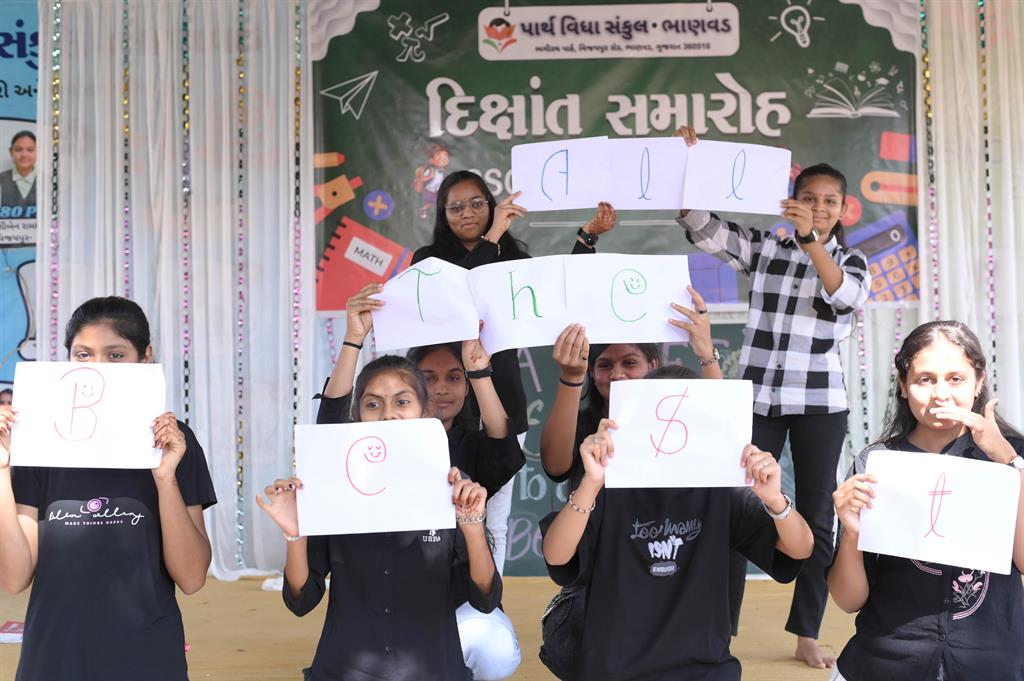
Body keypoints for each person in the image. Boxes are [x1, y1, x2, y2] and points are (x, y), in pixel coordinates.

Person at [675, 125, 871, 667]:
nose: (818, 208)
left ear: (843, 210)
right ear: (790, 201)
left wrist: (811, 241)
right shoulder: (765, 248)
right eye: (808, 198)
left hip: (819, 405)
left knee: (818, 516)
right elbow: (700, 224)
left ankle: (807, 631)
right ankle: (721, 629)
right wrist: (692, 164)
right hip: (757, 399)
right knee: (736, 506)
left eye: (829, 201)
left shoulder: (852, 262)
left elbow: (843, 296)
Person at [257, 283, 501, 681]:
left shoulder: (453, 489)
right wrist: (296, 535)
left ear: (425, 412)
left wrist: (472, 527)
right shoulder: (333, 488)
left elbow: (485, 597)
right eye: (373, 404)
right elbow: (301, 600)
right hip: (344, 670)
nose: (389, 414)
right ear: (356, 417)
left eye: (402, 401)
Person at [540, 364, 814, 680]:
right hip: (615, 668)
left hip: (704, 668)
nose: (671, 431)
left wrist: (775, 500)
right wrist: (590, 483)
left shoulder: (720, 490)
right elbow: (557, 555)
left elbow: (800, 548)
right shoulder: (610, 484)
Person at [0, 296, 216, 681]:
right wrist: (2, 469)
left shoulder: (174, 443)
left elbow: (192, 577)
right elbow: (15, 578)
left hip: (147, 658)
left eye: (115, 355)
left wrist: (165, 477)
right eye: (83, 355)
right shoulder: (39, 442)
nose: (97, 368)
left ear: (145, 357)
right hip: (54, 657)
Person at [828, 321, 1024, 681]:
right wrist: (852, 533)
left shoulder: (1013, 455)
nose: (940, 394)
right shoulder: (877, 464)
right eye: (924, 380)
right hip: (885, 663)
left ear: (979, 382)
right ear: (904, 386)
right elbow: (847, 600)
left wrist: (1010, 463)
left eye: (955, 378)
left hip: (990, 664)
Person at [540, 285, 722, 486]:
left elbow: (722, 431)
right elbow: (555, 467)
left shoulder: (676, 418)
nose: (617, 374)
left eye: (630, 363)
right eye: (604, 365)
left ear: (653, 365)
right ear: (591, 371)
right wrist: (571, 376)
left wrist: (706, 353)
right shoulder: (582, 425)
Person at [0, 131, 36, 210]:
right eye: (18, 150)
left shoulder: (48, 182)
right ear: (11, 152)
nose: (24, 155)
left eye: (30, 150)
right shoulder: (1, 180)